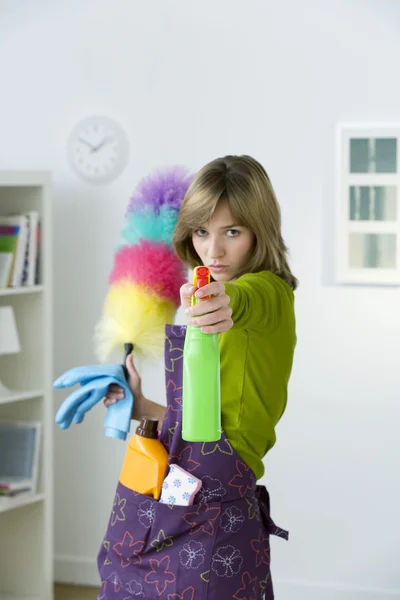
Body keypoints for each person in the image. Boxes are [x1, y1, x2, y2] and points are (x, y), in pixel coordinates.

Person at [98, 155, 297, 600]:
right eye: (202, 231)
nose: (214, 251)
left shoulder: (269, 294)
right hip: (182, 496)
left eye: (232, 232)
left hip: (218, 513)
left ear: (258, 231)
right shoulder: (209, 304)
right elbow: (206, 424)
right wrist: (142, 406)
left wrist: (222, 299)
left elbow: (243, 300)